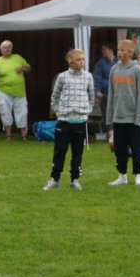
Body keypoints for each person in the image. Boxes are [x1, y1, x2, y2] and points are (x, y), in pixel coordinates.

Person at [42, 49, 95, 191]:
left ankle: (75, 179)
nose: (82, 62)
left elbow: (91, 96)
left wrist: (86, 110)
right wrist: (58, 112)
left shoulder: (88, 76)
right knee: (59, 152)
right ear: (70, 62)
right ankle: (55, 179)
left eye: (83, 59)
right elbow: (55, 96)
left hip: (80, 122)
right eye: (78, 59)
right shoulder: (62, 77)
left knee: (77, 153)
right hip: (64, 121)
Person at [106, 39, 140, 186]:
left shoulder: (137, 70)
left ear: (130, 53)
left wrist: (139, 118)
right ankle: (122, 176)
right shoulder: (114, 70)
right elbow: (111, 95)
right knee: (120, 150)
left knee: (137, 149)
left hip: (133, 119)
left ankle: (138, 175)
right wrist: (110, 119)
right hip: (118, 118)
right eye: (118, 49)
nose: (119, 52)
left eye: (123, 50)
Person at [0, 40, 31, 141]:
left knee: (22, 112)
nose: (7, 49)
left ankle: (24, 136)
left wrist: (23, 68)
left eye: (9, 47)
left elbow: (29, 68)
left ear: (11, 49)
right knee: (5, 112)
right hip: (4, 91)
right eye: (5, 47)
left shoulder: (18, 58)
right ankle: (8, 136)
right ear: (1, 50)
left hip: (19, 91)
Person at [93, 42, 116, 133]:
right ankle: (110, 133)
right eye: (102, 49)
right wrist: (97, 90)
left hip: (118, 91)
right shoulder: (100, 63)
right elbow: (97, 77)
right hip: (106, 91)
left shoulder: (118, 61)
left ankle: (118, 132)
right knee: (107, 113)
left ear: (111, 50)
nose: (102, 51)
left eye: (104, 49)